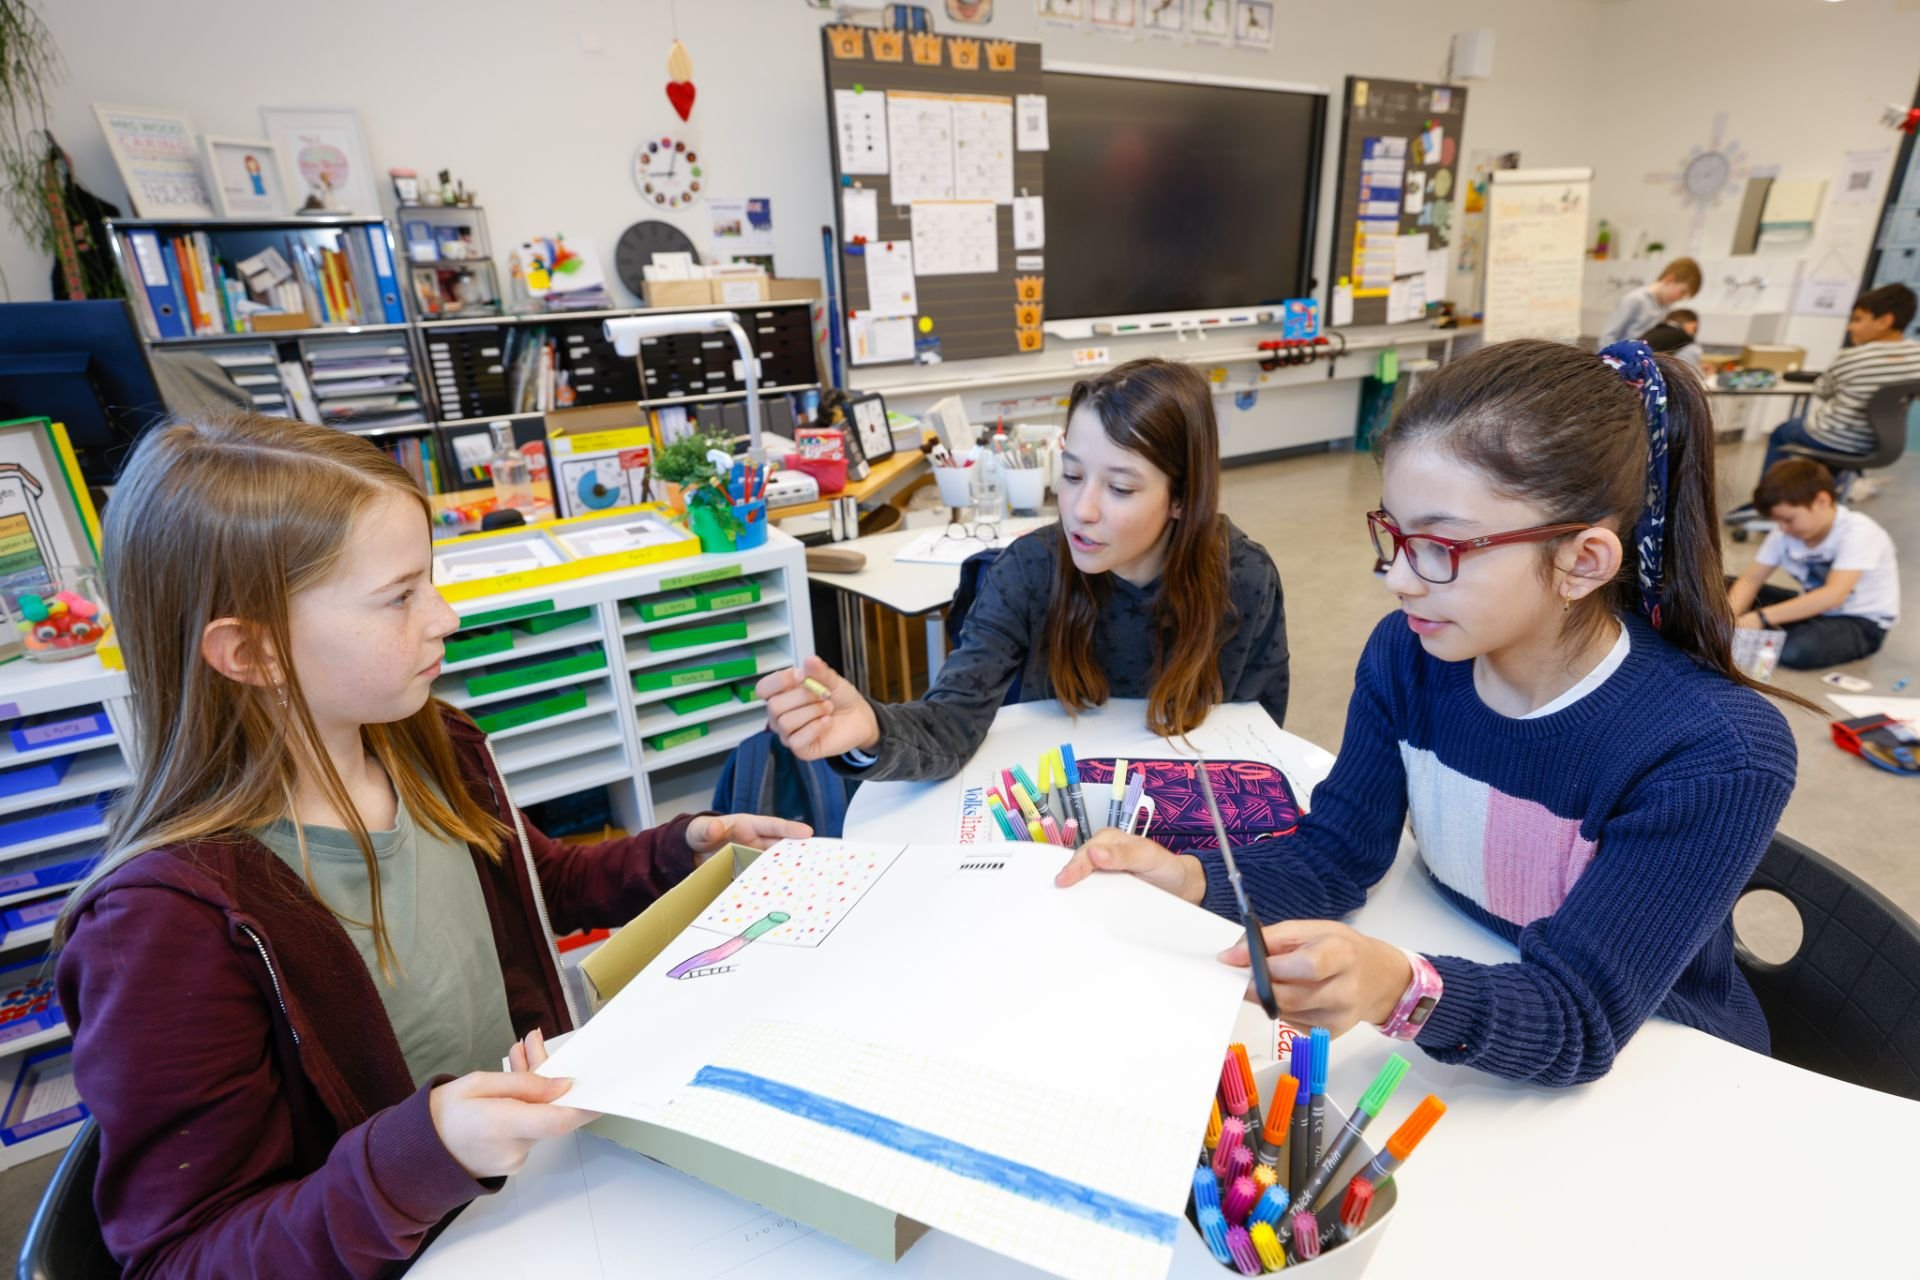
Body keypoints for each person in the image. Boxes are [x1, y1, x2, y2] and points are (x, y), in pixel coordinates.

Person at [55, 415, 808, 1277]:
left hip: (543, 1187)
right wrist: (427, 1150)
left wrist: (686, 848)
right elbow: (183, 1259)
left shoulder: (426, 744)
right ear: (252, 650)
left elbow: (534, 884)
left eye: (433, 581)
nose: (444, 617)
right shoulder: (158, 930)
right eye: (400, 595)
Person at [1058, 339, 1808, 1088]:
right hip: (1482, 996)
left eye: (1441, 547)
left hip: (1673, 1070)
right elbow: (1334, 856)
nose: (1398, 578)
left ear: (1583, 561)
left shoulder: (1715, 748)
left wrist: (1395, 986)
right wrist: (1188, 877)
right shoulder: (1411, 656)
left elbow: (1579, 1019)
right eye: (1393, 535)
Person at [756, 357, 1289, 782]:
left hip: (1186, 817)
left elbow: (1256, 741)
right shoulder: (1030, 570)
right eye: (1073, 475)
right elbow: (950, 725)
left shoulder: (1244, 579)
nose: (1083, 509)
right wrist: (873, 727)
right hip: (1055, 808)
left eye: (1121, 488)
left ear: (1182, 498)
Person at [1729, 283, 1920, 520]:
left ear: (1884, 321)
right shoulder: (1917, 357)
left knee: (1780, 433)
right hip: (1880, 445)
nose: (1851, 327)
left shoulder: (1851, 356)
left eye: (1858, 319)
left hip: (1833, 437)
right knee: (1826, 451)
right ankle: (1820, 500)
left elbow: (1822, 391)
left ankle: (1767, 505)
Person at [1728, 458, 1899, 668]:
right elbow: (1751, 579)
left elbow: (1833, 596)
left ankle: (1773, 635)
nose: (1782, 528)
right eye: (1777, 521)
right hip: (1813, 607)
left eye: (1789, 520)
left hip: (1859, 623)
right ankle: (1767, 633)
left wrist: (1759, 618)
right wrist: (1727, 619)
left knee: (1797, 651)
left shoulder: (1859, 531)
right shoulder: (1783, 533)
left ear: (1822, 501)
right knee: (1723, 585)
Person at [1597, 258, 1701, 347]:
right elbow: (1607, 338)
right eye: (1682, 292)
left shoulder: (1665, 307)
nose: (1680, 298)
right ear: (1670, 279)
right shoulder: (1636, 299)